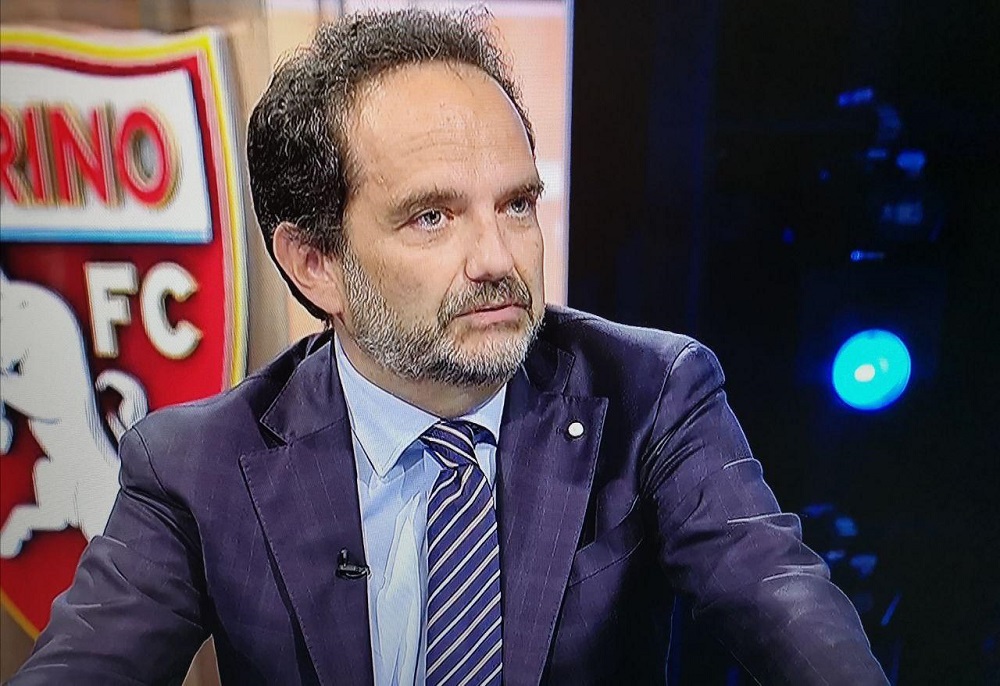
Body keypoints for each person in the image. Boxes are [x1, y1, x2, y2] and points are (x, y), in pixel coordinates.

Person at [11, 9, 889, 685]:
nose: (499, 259)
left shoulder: (652, 394)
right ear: (315, 263)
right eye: (432, 216)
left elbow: (780, 601)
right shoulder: (195, 463)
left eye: (516, 204)